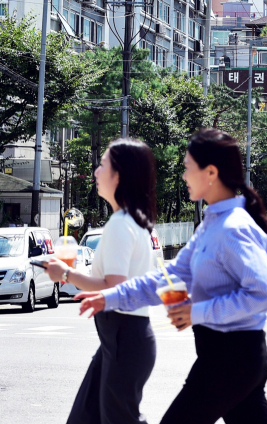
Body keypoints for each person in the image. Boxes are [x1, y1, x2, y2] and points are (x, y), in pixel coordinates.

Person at [75, 129, 267, 424]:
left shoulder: (234, 228)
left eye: (187, 167)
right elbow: (169, 275)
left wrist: (196, 311)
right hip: (229, 357)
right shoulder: (211, 225)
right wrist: (110, 297)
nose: (183, 175)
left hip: (231, 359)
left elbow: (263, 293)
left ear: (210, 172)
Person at [44, 139, 157, 424]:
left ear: (119, 174)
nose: (95, 171)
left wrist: (65, 275)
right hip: (121, 340)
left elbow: (114, 288)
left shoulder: (121, 223)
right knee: (85, 417)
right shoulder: (135, 221)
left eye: (103, 164)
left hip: (122, 339)